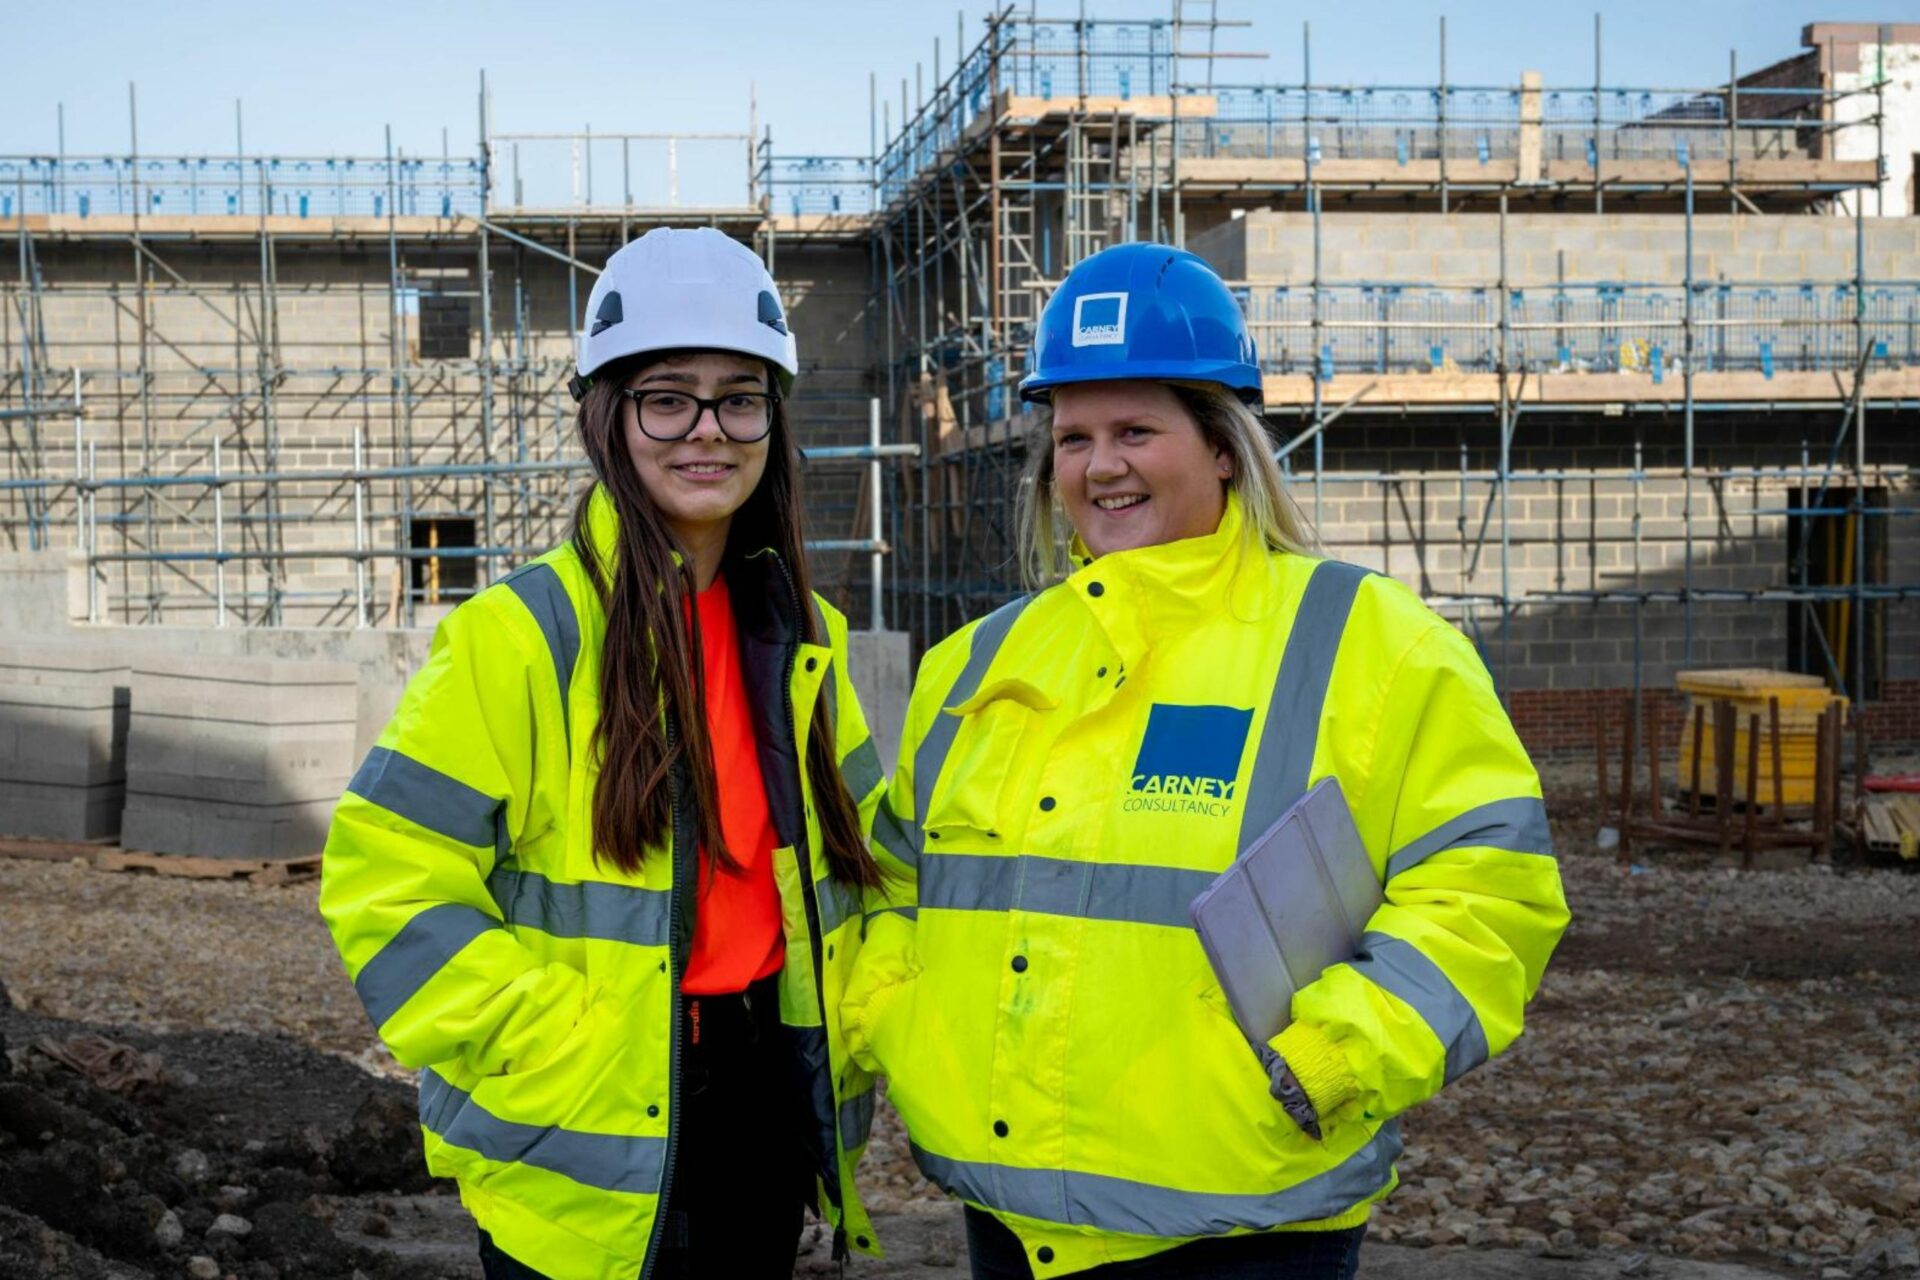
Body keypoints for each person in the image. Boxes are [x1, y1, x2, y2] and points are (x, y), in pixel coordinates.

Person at [844, 242, 1570, 1280]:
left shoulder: (1372, 642)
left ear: (1224, 445)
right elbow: (892, 882)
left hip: (1244, 1223)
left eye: (1138, 429)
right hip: (1008, 1213)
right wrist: (899, 1026)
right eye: (1074, 435)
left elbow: (1490, 892)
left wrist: (1335, 1056)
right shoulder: (979, 661)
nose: (1101, 465)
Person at [320, 227, 890, 1280]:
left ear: (773, 417)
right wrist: (551, 1045)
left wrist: (869, 1027)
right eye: (667, 396)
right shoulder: (519, 635)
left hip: (766, 1111)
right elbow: (384, 879)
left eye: (739, 397)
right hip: (583, 1120)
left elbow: (870, 878)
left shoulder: (806, 635)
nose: (705, 430)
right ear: (608, 416)